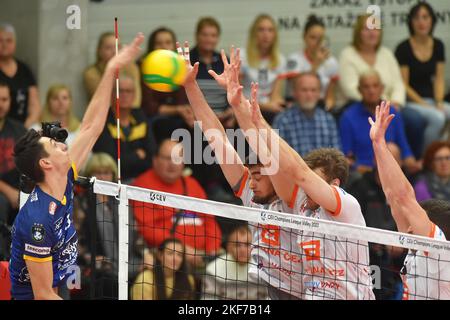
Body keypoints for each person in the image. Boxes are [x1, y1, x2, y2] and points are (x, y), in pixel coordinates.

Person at [223, 50, 374, 299]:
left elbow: (300, 173)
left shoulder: (345, 205)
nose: (308, 187)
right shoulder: (303, 204)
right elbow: (269, 156)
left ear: (334, 184)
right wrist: (238, 104)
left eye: (318, 182)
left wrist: (261, 123)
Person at [8, 33, 145, 300]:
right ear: (45, 163)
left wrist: (110, 69)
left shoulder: (65, 177)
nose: (63, 145)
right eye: (54, 145)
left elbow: (92, 126)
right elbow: (43, 295)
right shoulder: (37, 220)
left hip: (59, 281)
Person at [179, 42, 305, 300]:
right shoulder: (251, 193)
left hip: (304, 290)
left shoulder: (294, 199)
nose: (253, 182)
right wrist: (190, 86)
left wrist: (237, 103)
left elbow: (262, 143)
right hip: (268, 289)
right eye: (252, 174)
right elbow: (216, 137)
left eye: (259, 176)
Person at [370, 101, 450, 299]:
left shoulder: (438, 252)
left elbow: (404, 197)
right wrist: (378, 145)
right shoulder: (417, 247)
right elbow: (393, 195)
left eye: (415, 224)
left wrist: (380, 142)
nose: (407, 228)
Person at [339, 14, 425, 159]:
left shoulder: (386, 53)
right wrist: (383, 104)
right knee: (411, 120)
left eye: (375, 29)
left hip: (391, 105)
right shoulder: (347, 54)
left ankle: (411, 163)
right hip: (362, 104)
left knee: (417, 120)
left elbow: (398, 83)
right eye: (367, 29)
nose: (372, 32)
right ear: (358, 32)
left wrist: (395, 102)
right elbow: (351, 88)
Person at [131, 139, 222, 269]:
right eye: (167, 158)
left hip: (203, 258)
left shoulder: (193, 184)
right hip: (167, 259)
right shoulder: (143, 186)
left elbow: (210, 221)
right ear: (155, 160)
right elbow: (147, 229)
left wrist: (211, 250)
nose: (172, 164)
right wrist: (181, 250)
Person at [347, 142, 406, 300]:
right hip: (367, 256)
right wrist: (378, 243)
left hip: (399, 256)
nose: (389, 163)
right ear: (375, 159)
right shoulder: (360, 186)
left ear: (400, 163)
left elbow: (410, 225)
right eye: (384, 157)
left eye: (394, 159)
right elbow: (351, 226)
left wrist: (401, 241)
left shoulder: (405, 190)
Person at [339, 70, 420, 174]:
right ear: (359, 90)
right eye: (366, 87)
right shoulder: (348, 117)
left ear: (382, 88)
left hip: (394, 170)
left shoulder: (392, 112)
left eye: (375, 86)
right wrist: (357, 167)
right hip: (365, 173)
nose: (371, 91)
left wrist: (412, 162)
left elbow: (403, 145)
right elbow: (345, 155)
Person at [395, 2, 449, 149]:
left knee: (446, 112)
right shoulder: (403, 48)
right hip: (412, 102)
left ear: (432, 20)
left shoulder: (438, 45)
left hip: (432, 99)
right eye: (417, 18)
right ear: (411, 22)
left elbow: (439, 78)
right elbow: (403, 85)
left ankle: (443, 154)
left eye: (425, 17)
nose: (421, 22)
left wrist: (438, 101)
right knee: (438, 118)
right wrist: (424, 104)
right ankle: (427, 159)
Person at [93, 74, 154, 182]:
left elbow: (152, 155)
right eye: (120, 91)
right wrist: (137, 155)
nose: (124, 95)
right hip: (112, 181)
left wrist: (125, 156)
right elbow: (109, 161)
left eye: (128, 91)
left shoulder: (140, 116)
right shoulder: (103, 120)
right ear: (112, 94)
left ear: (134, 95)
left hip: (142, 179)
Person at [140, 27, 192, 143]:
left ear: (174, 46)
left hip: (180, 117)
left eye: (168, 42)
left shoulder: (180, 66)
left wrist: (188, 113)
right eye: (158, 43)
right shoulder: (144, 67)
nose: (164, 46)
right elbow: (149, 107)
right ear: (152, 47)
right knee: (164, 125)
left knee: (198, 128)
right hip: (155, 119)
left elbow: (183, 100)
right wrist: (178, 110)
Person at [273, 72, 341, 156]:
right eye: (304, 90)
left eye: (313, 90)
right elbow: (275, 157)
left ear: (319, 93)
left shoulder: (328, 120)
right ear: (294, 93)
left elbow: (337, 157)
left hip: (323, 169)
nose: (309, 95)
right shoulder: (282, 120)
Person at [286, 14, 339, 110]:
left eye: (321, 38)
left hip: (321, 104)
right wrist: (316, 64)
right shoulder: (294, 59)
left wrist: (328, 107)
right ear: (304, 37)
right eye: (313, 37)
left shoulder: (332, 62)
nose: (317, 42)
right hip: (297, 104)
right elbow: (296, 88)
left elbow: (330, 96)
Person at [240, 14, 286, 124]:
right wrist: (264, 106)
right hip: (246, 109)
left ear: (275, 35)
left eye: (270, 30)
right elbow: (237, 95)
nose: (266, 34)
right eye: (261, 30)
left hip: (269, 111)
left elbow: (275, 95)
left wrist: (275, 103)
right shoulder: (242, 56)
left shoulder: (280, 59)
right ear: (254, 33)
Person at [203, 224, 269, 300]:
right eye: (237, 245)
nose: (242, 250)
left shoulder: (265, 269)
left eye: (247, 245)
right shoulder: (213, 269)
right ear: (228, 247)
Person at [0, 81, 26, 259]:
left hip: (18, 190)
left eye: (4, 99)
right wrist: (8, 191)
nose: (0, 104)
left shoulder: (18, 130)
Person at [84, 31, 142, 108]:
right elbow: (103, 100)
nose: (114, 51)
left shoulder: (131, 68)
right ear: (100, 51)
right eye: (108, 48)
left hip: (129, 112)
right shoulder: (91, 73)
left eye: (118, 47)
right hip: (105, 113)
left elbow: (136, 98)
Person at [0, 23, 40, 128]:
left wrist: (24, 127)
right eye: (0, 40)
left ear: (14, 43)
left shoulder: (24, 69)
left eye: (8, 41)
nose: (4, 44)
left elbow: (35, 106)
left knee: (36, 129)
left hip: (23, 125)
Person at [131, 238, 196, 300]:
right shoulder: (145, 279)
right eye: (170, 253)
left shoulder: (188, 279)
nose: (175, 258)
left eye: (179, 255)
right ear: (160, 255)